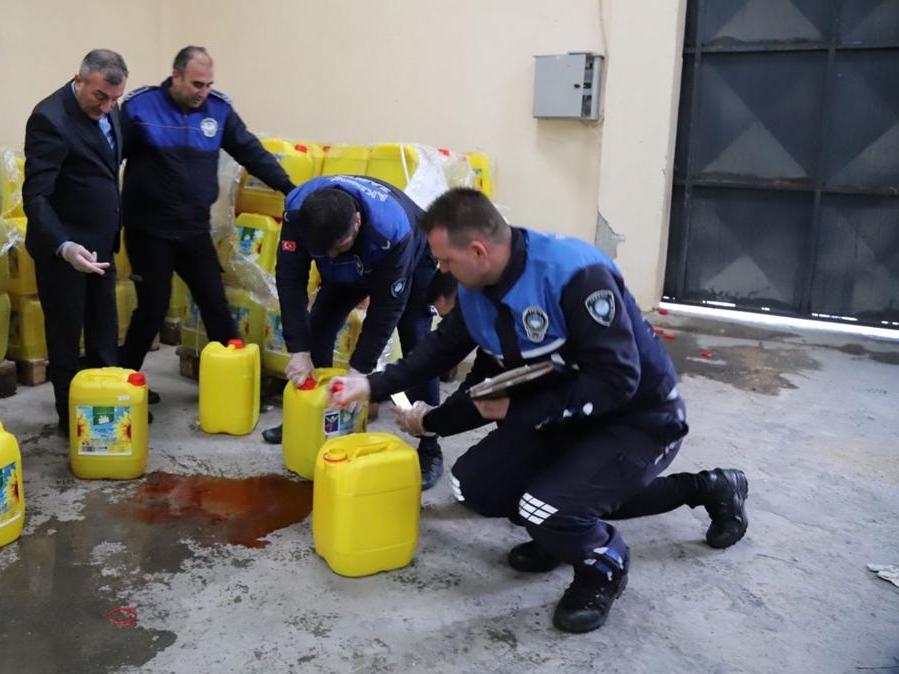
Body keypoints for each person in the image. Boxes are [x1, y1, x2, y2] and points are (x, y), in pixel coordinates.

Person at [330, 188, 749, 633]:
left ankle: (609, 561)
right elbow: (440, 353)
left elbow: (616, 380)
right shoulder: (477, 289)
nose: (441, 272)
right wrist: (372, 385)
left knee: (544, 506)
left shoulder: (573, 276)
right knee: (478, 486)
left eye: (446, 262)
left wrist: (515, 410)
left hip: (638, 417)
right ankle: (559, 527)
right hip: (561, 409)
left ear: (477, 250)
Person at [118, 46, 296, 392]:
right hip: (148, 231)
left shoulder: (219, 109)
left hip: (193, 230)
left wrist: (290, 188)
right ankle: (125, 386)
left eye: (208, 84)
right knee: (152, 309)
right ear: (176, 76)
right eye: (197, 84)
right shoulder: (140, 107)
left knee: (215, 304)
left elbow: (250, 151)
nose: (203, 92)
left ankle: (235, 387)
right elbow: (107, 160)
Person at [263, 175, 444, 490]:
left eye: (338, 247)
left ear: (357, 221)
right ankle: (310, 419)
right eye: (324, 251)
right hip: (351, 265)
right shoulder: (299, 212)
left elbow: (386, 310)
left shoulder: (392, 230)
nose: (330, 256)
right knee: (317, 328)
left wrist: (358, 371)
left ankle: (430, 447)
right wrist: (298, 350)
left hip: (411, 260)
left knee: (419, 347)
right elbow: (289, 280)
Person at [23, 50, 128, 434]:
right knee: (66, 338)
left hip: (101, 244)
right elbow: (36, 196)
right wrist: (64, 246)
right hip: (64, 251)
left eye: (115, 99)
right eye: (100, 95)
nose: (107, 105)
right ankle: (72, 422)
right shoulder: (49, 119)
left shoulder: (110, 109)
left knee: (104, 334)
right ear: (79, 80)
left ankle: (105, 412)